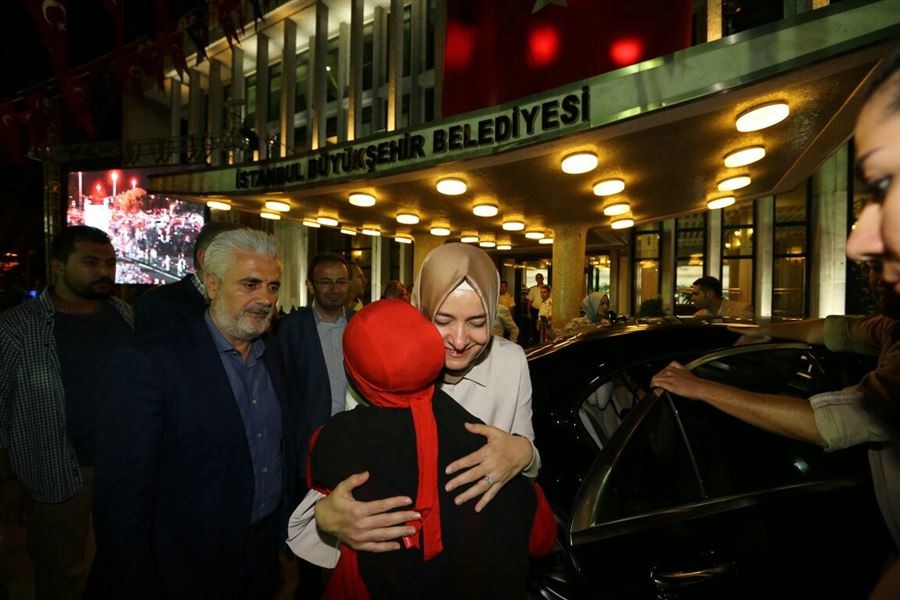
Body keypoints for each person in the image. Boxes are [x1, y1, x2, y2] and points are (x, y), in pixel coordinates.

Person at [288, 243, 540, 568]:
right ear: (419, 312)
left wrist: (523, 452)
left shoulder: (511, 362)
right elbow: (346, 466)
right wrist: (325, 513)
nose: (459, 340)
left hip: (478, 555)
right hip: (395, 558)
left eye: (478, 323)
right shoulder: (383, 364)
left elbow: (529, 464)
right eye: (443, 320)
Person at [92, 228, 294, 599]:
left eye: (273, 286)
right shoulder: (151, 361)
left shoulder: (274, 354)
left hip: (261, 554)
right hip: (183, 561)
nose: (265, 299)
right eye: (250, 284)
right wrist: (134, 579)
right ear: (212, 285)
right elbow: (122, 495)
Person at [307, 299, 556, 598]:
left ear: (354, 375)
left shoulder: (335, 441)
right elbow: (543, 538)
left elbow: (314, 496)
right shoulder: (490, 446)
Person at [0, 225, 133, 600]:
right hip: (53, 471)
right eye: (91, 262)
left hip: (124, 467)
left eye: (110, 263)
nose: (105, 271)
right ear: (58, 267)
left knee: (121, 567)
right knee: (63, 574)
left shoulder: (125, 316)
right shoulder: (17, 327)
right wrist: (6, 479)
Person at [842, 47, 900, 599]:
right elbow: (836, 329)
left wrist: (700, 388)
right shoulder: (892, 329)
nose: (858, 242)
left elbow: (845, 419)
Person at [277, 252, 356, 596]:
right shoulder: (292, 328)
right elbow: (281, 387)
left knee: (351, 524)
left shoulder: (360, 324)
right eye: (325, 282)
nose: (334, 290)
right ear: (311, 285)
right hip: (308, 444)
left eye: (340, 282)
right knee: (309, 527)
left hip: (353, 442)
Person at [133, 220, 241, 335]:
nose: (247, 268)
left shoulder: (244, 302)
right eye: (237, 259)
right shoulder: (157, 305)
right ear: (204, 258)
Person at [527, 273, 545, 343]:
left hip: (544, 310)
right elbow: (529, 301)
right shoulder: (533, 289)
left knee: (543, 327)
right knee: (534, 327)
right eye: (537, 278)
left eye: (540, 278)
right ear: (536, 279)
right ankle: (535, 342)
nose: (538, 279)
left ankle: (543, 342)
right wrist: (529, 312)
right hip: (534, 310)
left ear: (543, 278)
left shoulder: (547, 288)